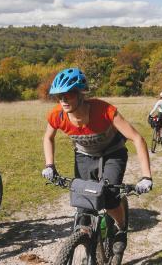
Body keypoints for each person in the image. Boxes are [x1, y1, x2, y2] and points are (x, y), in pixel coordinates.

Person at [41, 67, 153, 259]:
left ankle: (120, 227)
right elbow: (47, 138)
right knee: (83, 200)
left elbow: (136, 138)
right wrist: (50, 165)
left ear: (80, 94)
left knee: (109, 196)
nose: (63, 100)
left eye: (68, 94)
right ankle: (85, 240)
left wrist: (146, 177)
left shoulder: (105, 111)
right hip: (84, 155)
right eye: (60, 96)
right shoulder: (57, 115)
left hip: (113, 153)